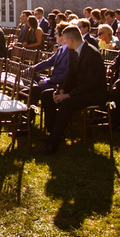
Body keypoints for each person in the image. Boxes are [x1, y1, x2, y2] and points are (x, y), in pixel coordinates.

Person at [39, 26, 108, 155]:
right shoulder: (72, 50)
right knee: (47, 95)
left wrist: (68, 95)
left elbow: (90, 83)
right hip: (78, 90)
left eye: (64, 39)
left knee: (66, 103)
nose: (63, 41)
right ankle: (54, 133)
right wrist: (62, 90)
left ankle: (52, 145)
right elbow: (71, 75)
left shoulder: (92, 54)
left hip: (93, 94)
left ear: (70, 40)